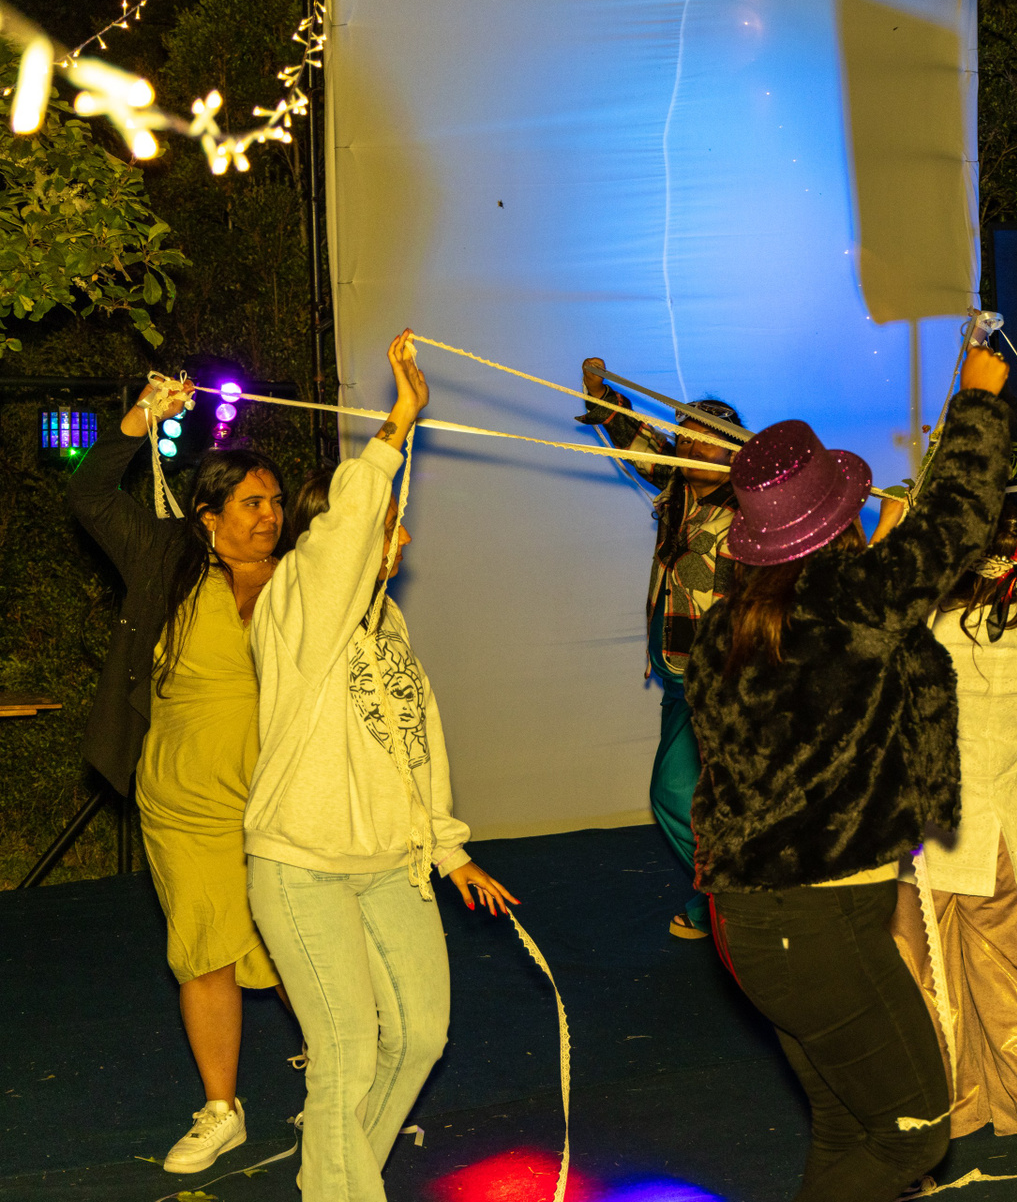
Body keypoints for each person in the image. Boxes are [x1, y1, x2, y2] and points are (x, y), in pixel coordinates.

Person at [684, 343, 1013, 1202]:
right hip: (815, 927)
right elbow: (960, 521)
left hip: (758, 922)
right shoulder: (854, 601)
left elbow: (834, 670)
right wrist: (979, 402)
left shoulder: (729, 628)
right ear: (834, 520)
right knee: (915, 1132)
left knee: (848, 1126)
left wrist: (881, 561)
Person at [245, 330, 518, 1198]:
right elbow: (344, 536)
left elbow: (412, 744)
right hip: (302, 863)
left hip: (389, 862)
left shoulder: (386, 624)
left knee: (421, 1036)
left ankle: (333, 1178)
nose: (397, 534)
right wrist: (397, 424)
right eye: (382, 522)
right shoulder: (296, 601)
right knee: (348, 1050)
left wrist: (449, 847)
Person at [69, 386, 294, 1173]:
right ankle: (222, 1108)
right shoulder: (167, 558)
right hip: (185, 797)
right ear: (207, 515)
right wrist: (139, 420)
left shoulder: (301, 579)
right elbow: (91, 495)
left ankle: (339, 1070)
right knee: (204, 946)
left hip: (282, 794)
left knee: (297, 940)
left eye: (276, 502)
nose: (270, 515)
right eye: (252, 502)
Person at [890, 505, 1017, 1175]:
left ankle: (947, 1111)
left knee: (927, 979)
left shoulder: (930, 625)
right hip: (1011, 831)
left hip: (933, 833)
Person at [579, 357, 741, 939]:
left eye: (705, 442)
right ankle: (725, 896)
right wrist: (600, 393)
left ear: (734, 453)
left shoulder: (751, 507)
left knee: (676, 791)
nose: (690, 449)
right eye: (686, 439)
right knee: (692, 792)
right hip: (675, 667)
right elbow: (636, 441)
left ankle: (731, 897)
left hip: (719, 674)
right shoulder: (676, 486)